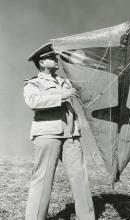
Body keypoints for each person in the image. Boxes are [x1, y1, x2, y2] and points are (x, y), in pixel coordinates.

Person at [24, 43, 95, 220]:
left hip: (71, 134)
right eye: (51, 57)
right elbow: (33, 102)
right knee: (42, 179)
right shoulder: (34, 83)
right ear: (41, 63)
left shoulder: (66, 82)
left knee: (80, 177)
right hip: (48, 134)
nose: (56, 60)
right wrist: (62, 95)